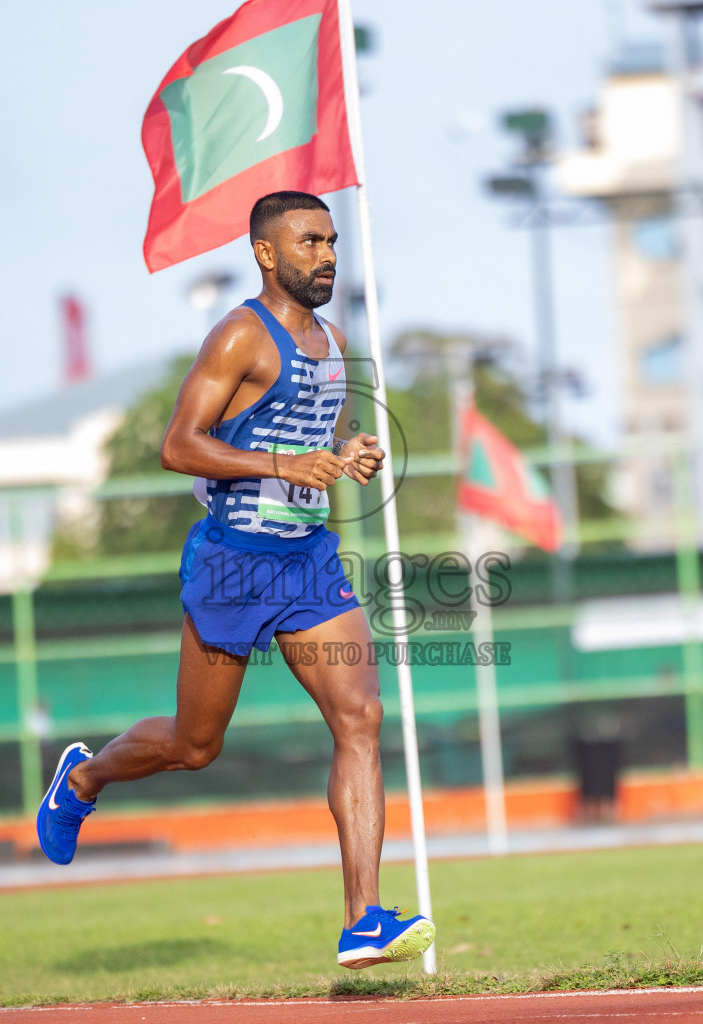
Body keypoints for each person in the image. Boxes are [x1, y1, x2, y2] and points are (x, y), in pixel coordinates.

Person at [35, 191, 435, 970]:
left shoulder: (331, 341)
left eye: (331, 240)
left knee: (361, 718)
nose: (326, 255)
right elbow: (180, 446)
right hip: (232, 560)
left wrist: (345, 453)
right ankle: (82, 777)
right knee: (195, 746)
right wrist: (285, 465)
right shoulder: (237, 338)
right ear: (265, 253)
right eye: (309, 241)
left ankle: (364, 920)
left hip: (306, 558)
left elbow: (302, 442)